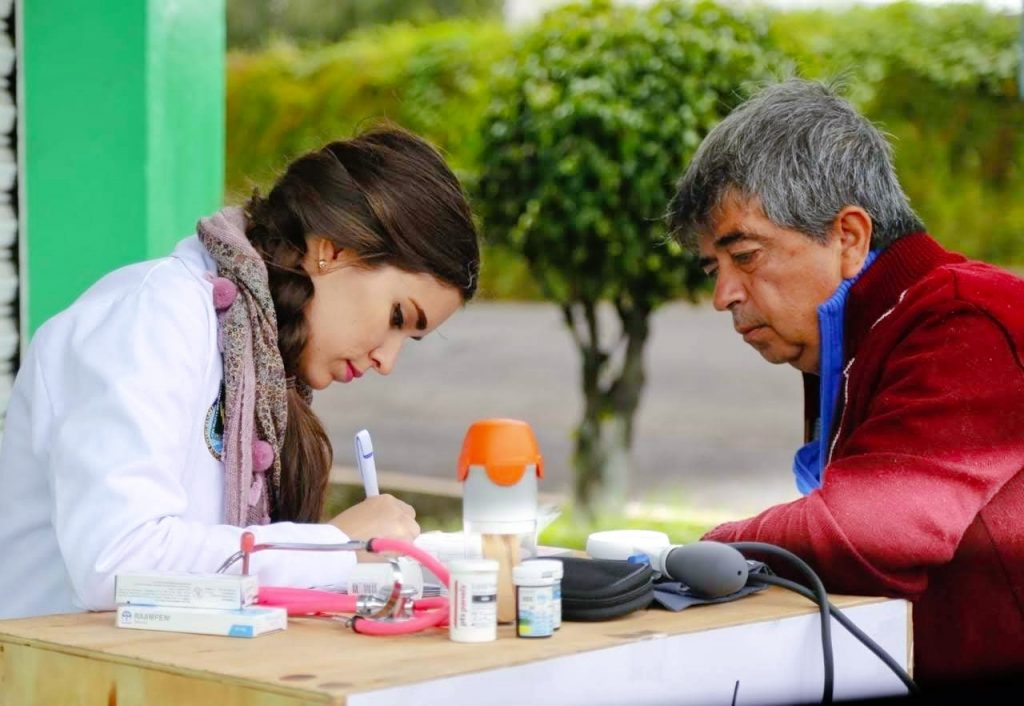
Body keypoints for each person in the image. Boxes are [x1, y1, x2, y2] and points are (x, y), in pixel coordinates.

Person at [0, 126, 480, 619]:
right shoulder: (154, 315)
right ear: (333, 251)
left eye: (409, 339)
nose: (387, 360)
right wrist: (335, 546)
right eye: (397, 317)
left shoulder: (261, 364)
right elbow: (118, 564)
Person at [668, 79, 1024, 686]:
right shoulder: (862, 336)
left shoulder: (966, 317)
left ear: (850, 238)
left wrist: (700, 552)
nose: (722, 295)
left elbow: (869, 533)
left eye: (745, 255)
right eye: (713, 268)